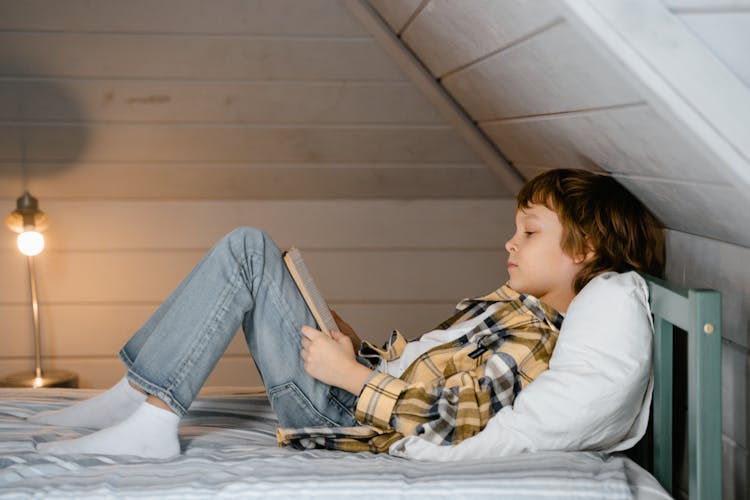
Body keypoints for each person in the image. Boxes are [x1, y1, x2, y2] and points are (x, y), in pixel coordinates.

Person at [31, 168, 665, 459]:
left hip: (346, 411)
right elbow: (427, 371)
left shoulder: (535, 341)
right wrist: (363, 352)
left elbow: (449, 422)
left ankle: (150, 416)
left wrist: (350, 378)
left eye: (528, 232)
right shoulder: (514, 305)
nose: (510, 243)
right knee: (256, 254)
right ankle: (138, 394)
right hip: (356, 381)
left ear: (581, 250)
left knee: (249, 250)